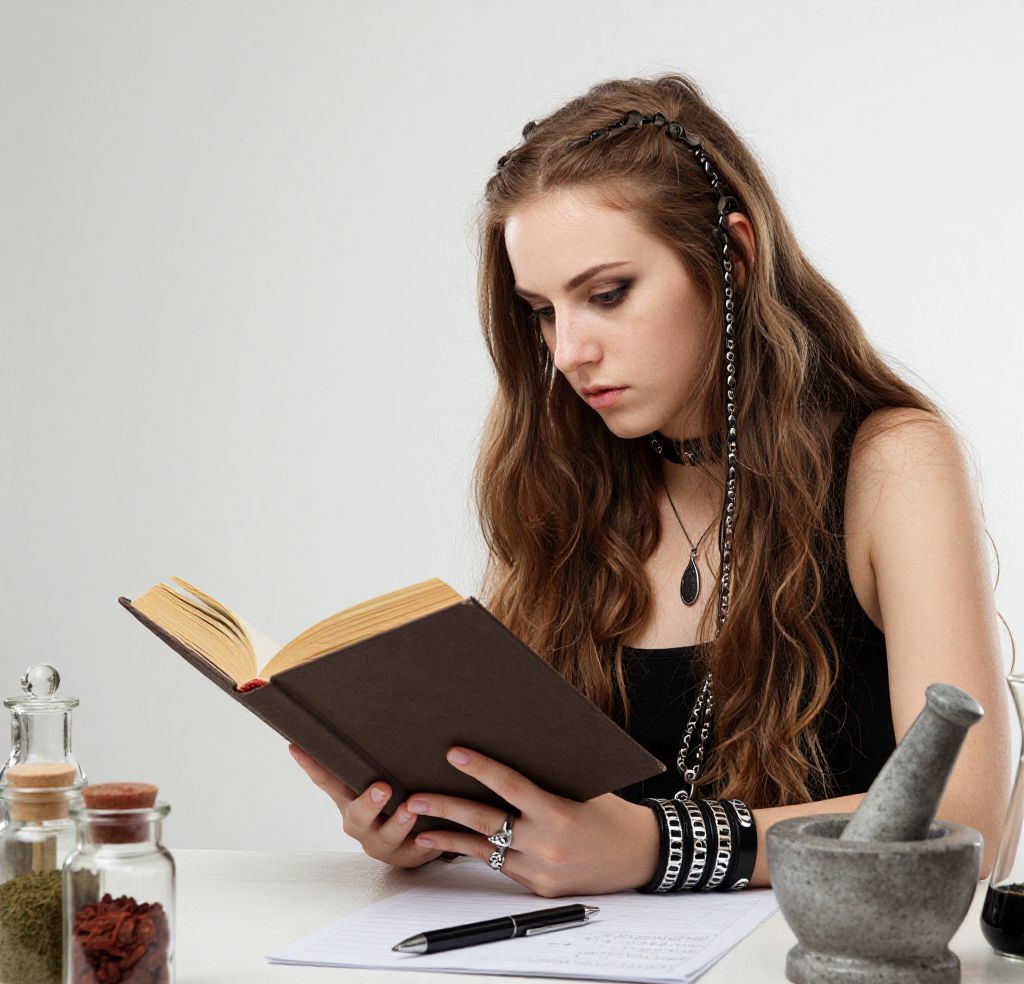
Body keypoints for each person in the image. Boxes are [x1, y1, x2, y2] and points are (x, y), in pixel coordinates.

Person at [290, 73, 1013, 897]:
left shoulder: (892, 463)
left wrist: (657, 847)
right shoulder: (564, 477)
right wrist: (436, 820)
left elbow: (967, 821)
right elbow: (547, 819)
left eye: (607, 295)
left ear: (731, 259)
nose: (570, 352)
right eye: (544, 312)